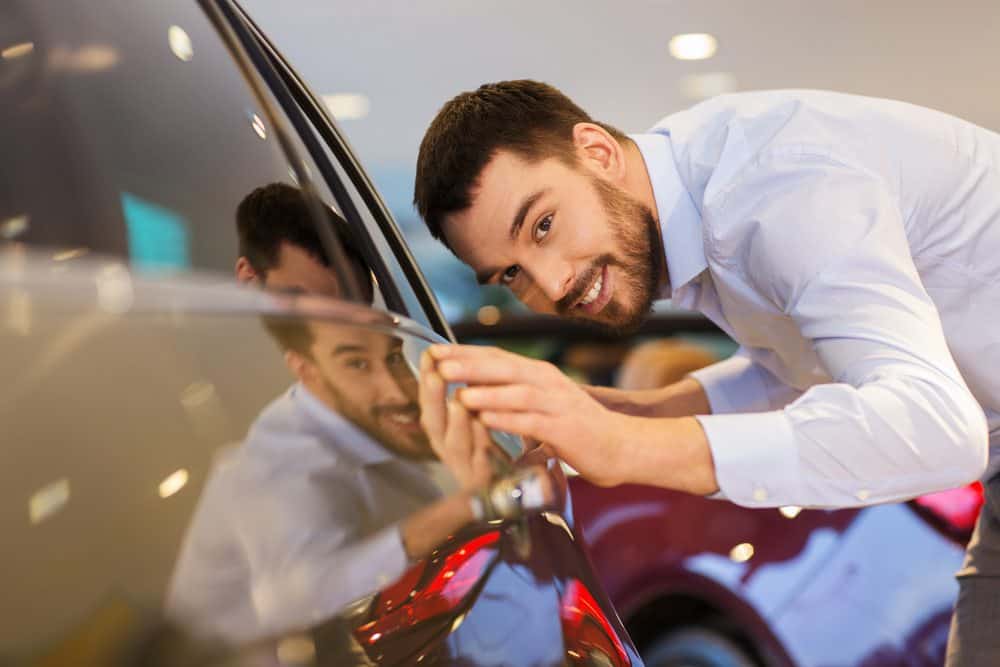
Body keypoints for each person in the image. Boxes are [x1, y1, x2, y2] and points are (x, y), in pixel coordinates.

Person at [412, 81, 1000, 664]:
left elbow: (939, 428)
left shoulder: (775, 187)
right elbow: (800, 362)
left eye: (543, 225)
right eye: (511, 274)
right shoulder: (703, 198)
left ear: (597, 151)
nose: (551, 284)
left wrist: (624, 446)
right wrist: (623, 413)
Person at [166, 183, 494, 643]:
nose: (325, 330)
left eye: (349, 312)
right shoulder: (270, 449)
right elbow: (301, 598)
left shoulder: (373, 413)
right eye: (301, 304)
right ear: (247, 281)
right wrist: (470, 506)